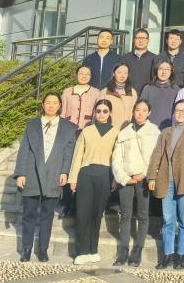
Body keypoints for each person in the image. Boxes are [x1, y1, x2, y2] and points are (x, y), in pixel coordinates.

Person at [13, 93, 76, 262]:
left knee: (47, 215)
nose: (51, 105)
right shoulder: (32, 124)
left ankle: (43, 249)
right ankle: (26, 249)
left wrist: (64, 172)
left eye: (55, 102)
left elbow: (68, 153)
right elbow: (24, 150)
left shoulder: (68, 128)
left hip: (54, 174)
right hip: (31, 174)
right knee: (28, 214)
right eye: (48, 102)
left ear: (60, 105)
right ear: (42, 104)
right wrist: (20, 173)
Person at [147, 99, 184, 269]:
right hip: (166, 181)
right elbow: (156, 155)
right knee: (168, 219)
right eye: (178, 110)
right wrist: (151, 177)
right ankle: (167, 254)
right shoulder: (166, 132)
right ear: (173, 112)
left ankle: (181, 255)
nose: (180, 113)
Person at [69, 99, 120, 264]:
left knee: (97, 214)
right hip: (86, 174)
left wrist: (115, 180)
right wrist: (73, 179)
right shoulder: (87, 131)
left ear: (110, 113)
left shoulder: (116, 132)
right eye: (98, 111)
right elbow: (77, 155)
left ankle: (93, 250)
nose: (101, 114)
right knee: (83, 213)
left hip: (105, 175)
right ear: (94, 113)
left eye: (105, 111)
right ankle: (82, 251)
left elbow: (117, 158)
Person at [111, 99, 160, 266]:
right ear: (133, 112)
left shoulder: (154, 132)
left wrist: (143, 174)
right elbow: (116, 158)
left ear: (149, 112)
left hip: (143, 179)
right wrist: (124, 177)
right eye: (138, 110)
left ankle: (137, 250)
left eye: (144, 110)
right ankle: (123, 251)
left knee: (142, 215)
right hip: (127, 179)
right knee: (125, 215)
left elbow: (156, 157)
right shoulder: (124, 132)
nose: (140, 113)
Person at [140, 58, 180, 129]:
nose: (164, 72)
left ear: (171, 72)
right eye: (161, 69)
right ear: (156, 71)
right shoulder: (148, 88)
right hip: (150, 129)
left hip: (169, 129)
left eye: (167, 69)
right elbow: (141, 109)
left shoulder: (176, 89)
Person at [101, 62, 138, 130]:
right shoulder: (105, 92)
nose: (122, 75)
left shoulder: (132, 92)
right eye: (119, 72)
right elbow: (98, 112)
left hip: (126, 131)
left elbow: (135, 113)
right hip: (109, 130)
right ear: (113, 73)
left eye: (125, 73)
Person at [121, 28, 158, 94]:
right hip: (128, 94)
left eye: (143, 38)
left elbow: (155, 79)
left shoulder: (155, 58)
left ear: (148, 40)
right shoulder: (125, 57)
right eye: (138, 38)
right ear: (134, 40)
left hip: (147, 95)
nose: (140, 41)